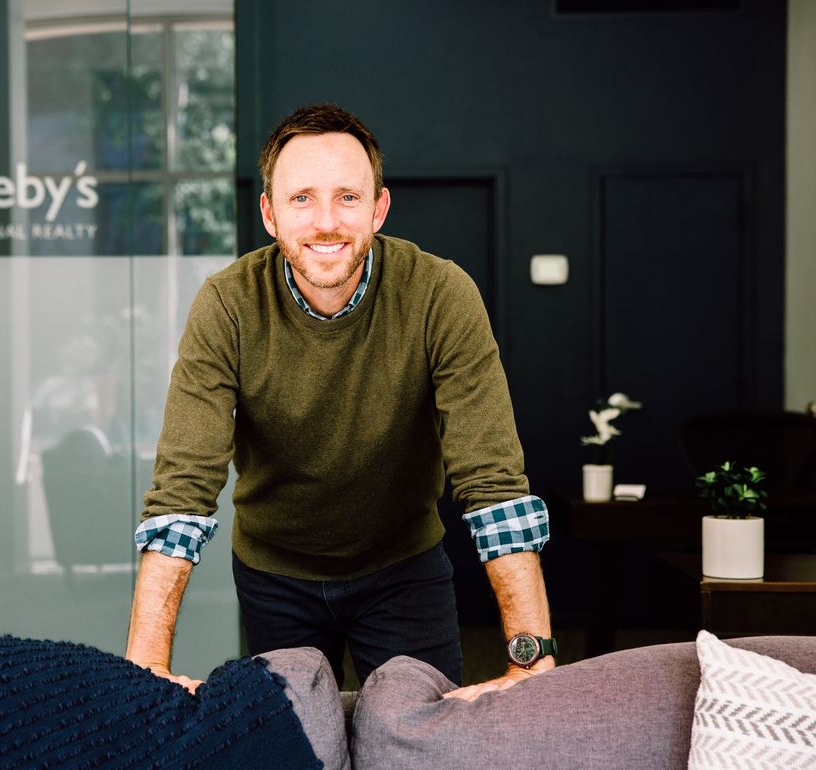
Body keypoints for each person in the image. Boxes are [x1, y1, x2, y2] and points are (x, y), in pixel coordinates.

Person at [126, 103, 554, 702]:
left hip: (403, 566)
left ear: (378, 208)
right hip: (275, 571)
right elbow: (182, 490)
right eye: (301, 198)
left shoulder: (440, 294)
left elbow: (495, 484)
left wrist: (530, 658)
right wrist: (144, 664)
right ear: (270, 215)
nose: (325, 221)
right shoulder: (226, 306)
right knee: (290, 744)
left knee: (427, 742)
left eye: (347, 198)